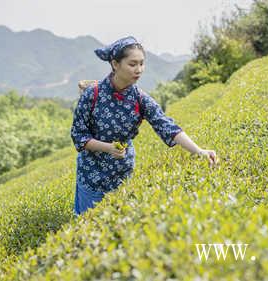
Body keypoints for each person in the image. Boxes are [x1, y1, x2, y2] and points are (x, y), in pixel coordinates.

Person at [71, 36, 218, 216]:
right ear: (115, 64)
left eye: (142, 64)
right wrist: (107, 148)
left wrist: (199, 151)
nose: (139, 70)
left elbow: (167, 126)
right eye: (132, 64)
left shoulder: (140, 99)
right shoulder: (92, 95)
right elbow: (79, 135)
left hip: (122, 174)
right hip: (91, 175)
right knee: (89, 226)